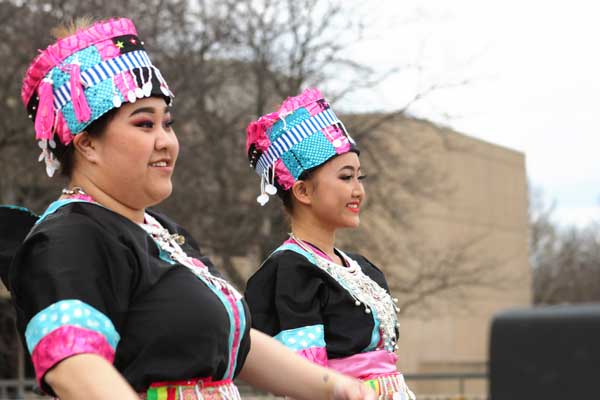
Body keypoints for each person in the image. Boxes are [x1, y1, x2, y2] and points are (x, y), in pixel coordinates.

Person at [1, 18, 376, 400]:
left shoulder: (164, 233)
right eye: (145, 124)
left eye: (168, 123)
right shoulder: (69, 237)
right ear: (87, 145)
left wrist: (336, 388)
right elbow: (75, 366)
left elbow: (239, 344)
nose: (167, 141)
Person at [244, 88, 416, 400]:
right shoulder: (290, 273)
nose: (358, 191)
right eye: (346, 177)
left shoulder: (365, 269)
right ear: (303, 192)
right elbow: (303, 379)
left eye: (360, 178)